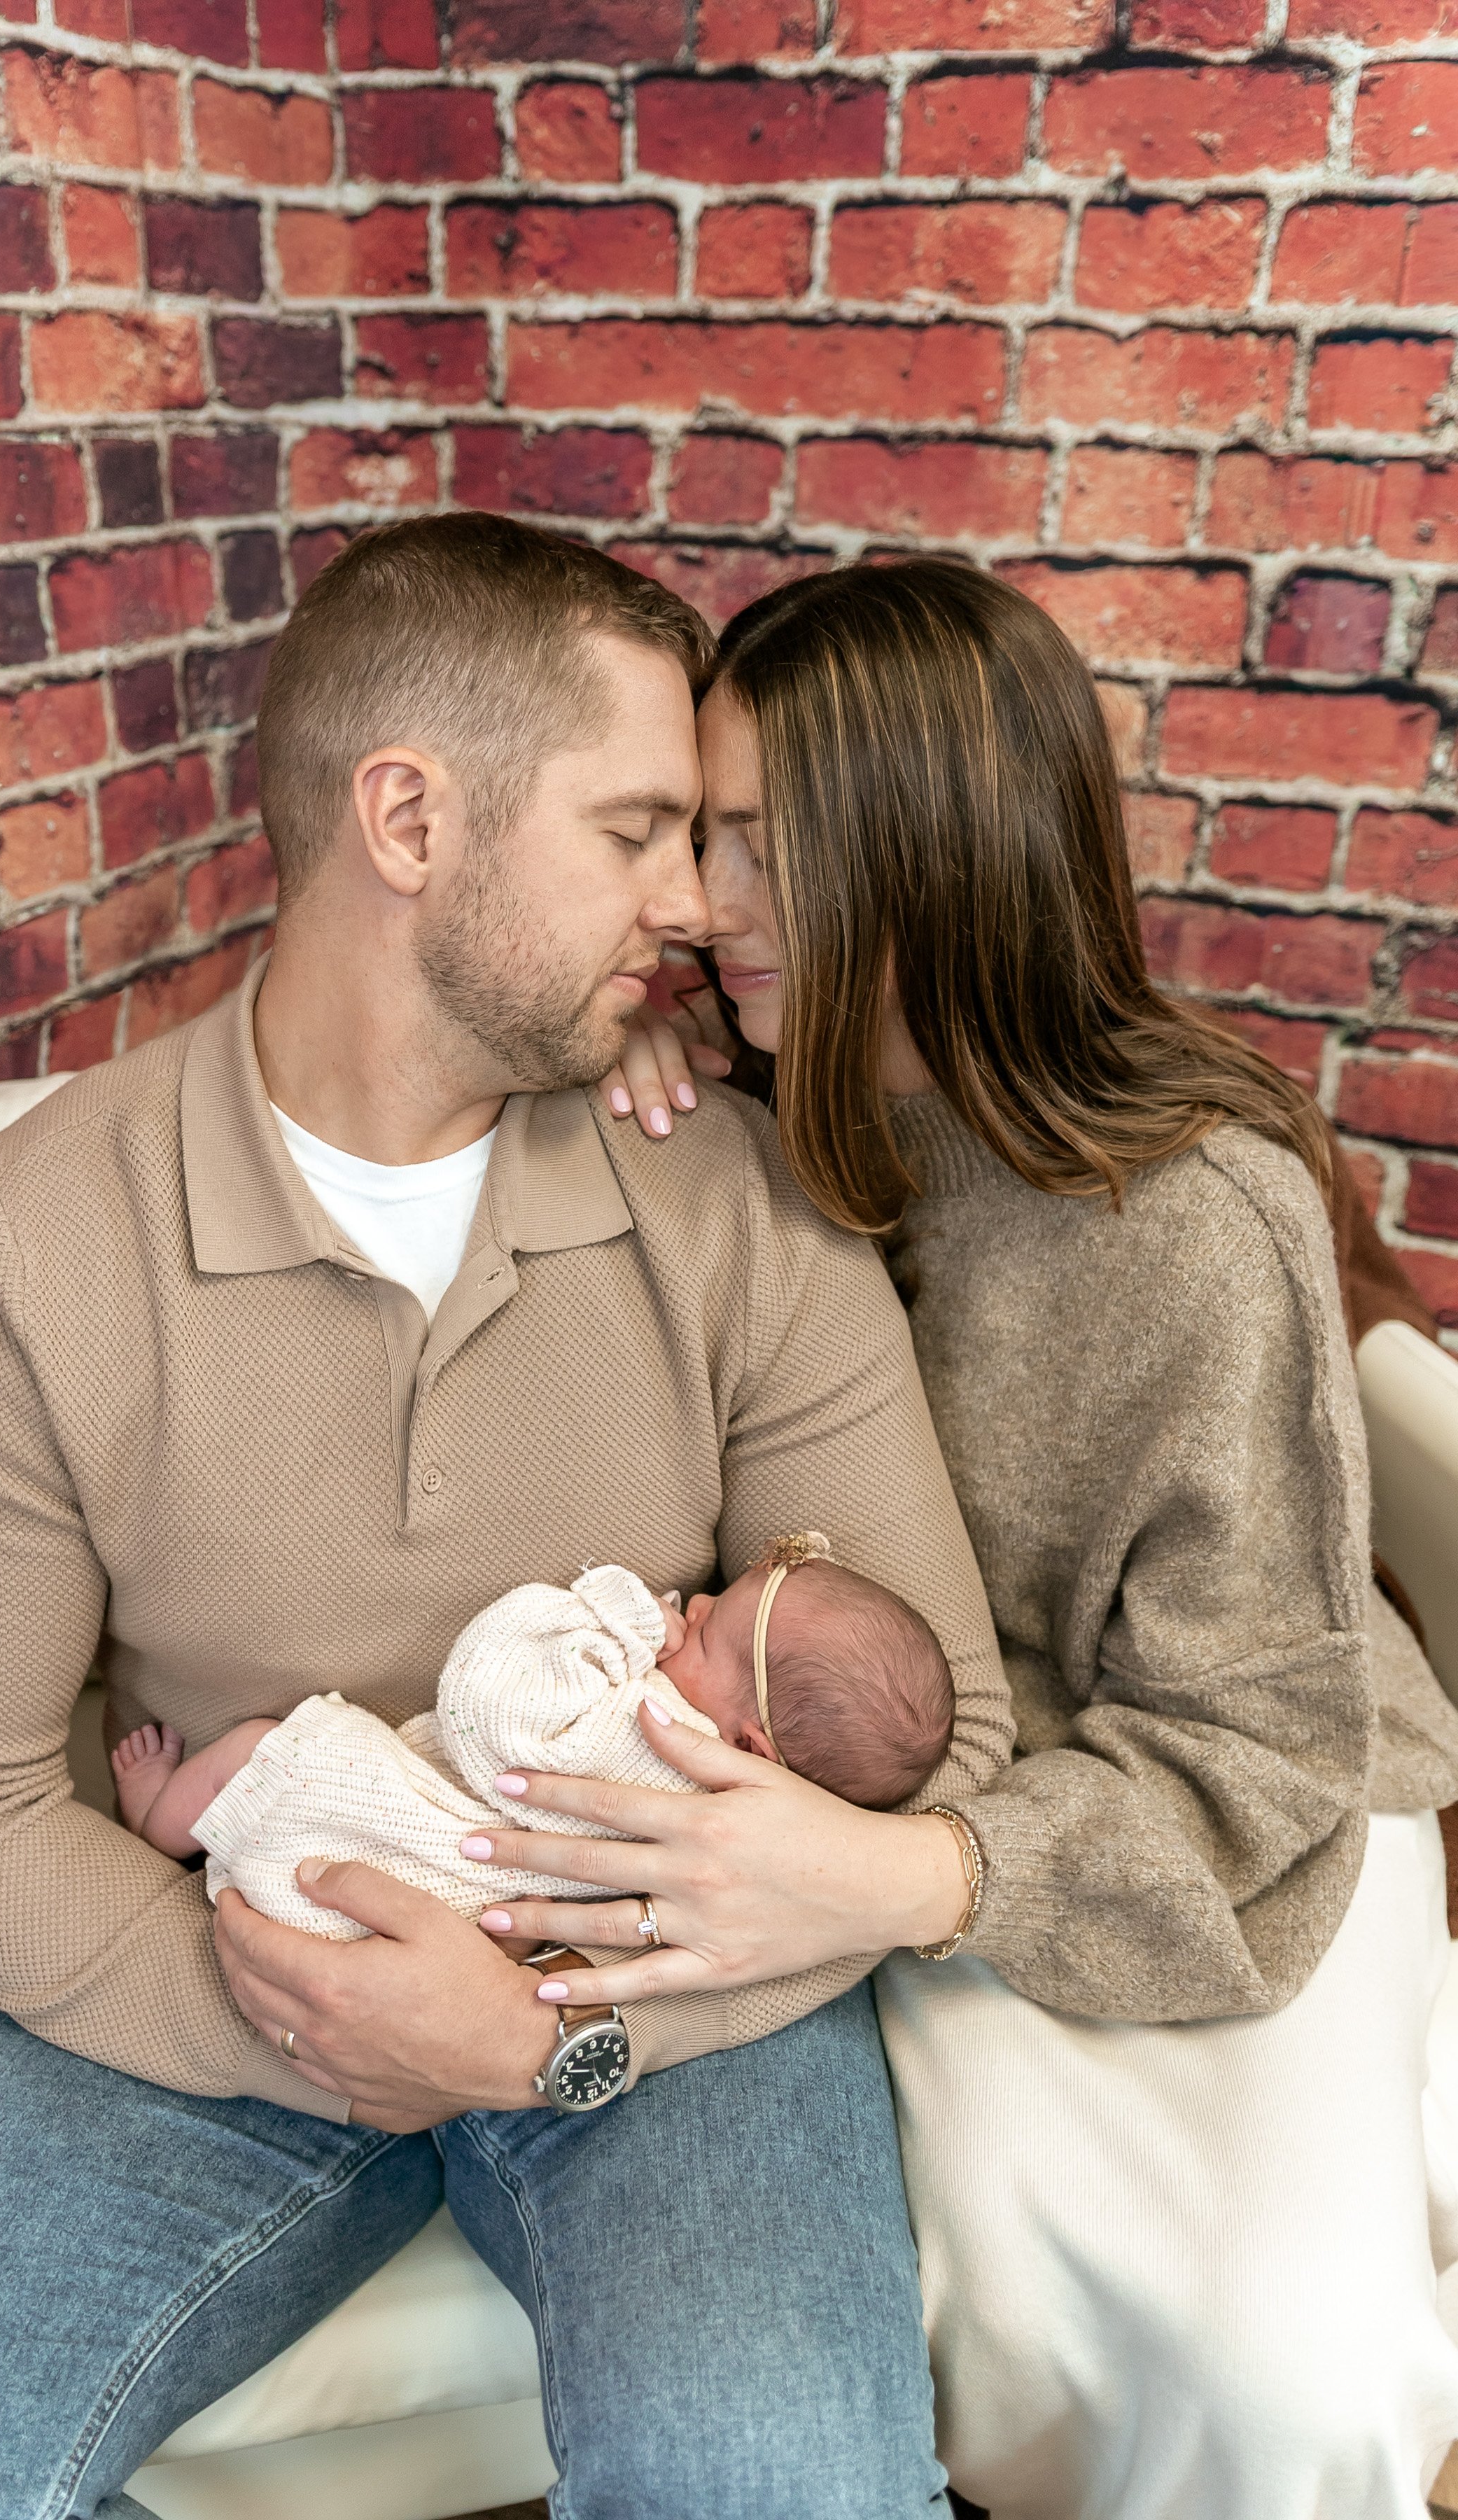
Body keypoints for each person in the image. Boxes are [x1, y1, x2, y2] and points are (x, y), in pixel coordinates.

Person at [0, 517, 1014, 2520]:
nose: (699, 905)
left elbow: (934, 1730)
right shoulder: (38, 1233)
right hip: (216, 1947)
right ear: (412, 820)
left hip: (666, 1985)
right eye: (634, 834)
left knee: (770, 2484)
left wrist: (539, 2032)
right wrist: (318, 2008)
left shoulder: (733, 1195)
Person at [461, 557, 1458, 2519]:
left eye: (750, 844)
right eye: (681, 836)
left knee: (1269, 2371)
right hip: (886, 1809)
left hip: (1209, 1819)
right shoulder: (737, 1101)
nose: (692, 903)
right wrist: (629, 1088)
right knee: (987, 2269)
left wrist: (909, 1875)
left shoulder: (1188, 1217)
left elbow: (1255, 1746)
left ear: (920, 847)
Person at [111, 1546, 955, 1926]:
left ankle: (158, 1817)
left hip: (385, 1838)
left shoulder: (662, 1745)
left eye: (705, 1632)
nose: (689, 1606)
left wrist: (614, 1620)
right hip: (439, 1901)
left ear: (749, 1745)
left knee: (272, 1742)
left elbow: (490, 1704)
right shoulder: (734, 1808)